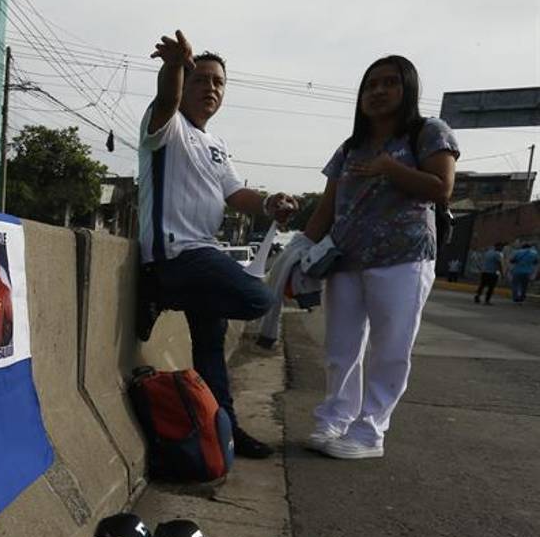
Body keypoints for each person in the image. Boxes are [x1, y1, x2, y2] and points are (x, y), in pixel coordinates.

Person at [136, 30, 297, 459]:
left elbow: (235, 195)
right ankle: (159, 291)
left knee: (210, 353)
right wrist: (173, 66)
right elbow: (167, 99)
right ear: (185, 85)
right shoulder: (166, 124)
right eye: (200, 79)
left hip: (203, 254)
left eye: (218, 82)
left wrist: (270, 201)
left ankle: (223, 428)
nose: (210, 88)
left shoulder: (217, 146)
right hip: (176, 254)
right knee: (258, 299)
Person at [301, 55, 459, 459]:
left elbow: (441, 188)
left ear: (408, 89)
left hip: (403, 257)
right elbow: (328, 204)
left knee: (390, 348)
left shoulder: (428, 132)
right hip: (346, 258)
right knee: (341, 348)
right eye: (371, 85)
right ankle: (335, 417)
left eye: (390, 83)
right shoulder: (351, 147)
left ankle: (370, 431)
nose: (378, 91)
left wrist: (390, 167)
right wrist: (300, 249)